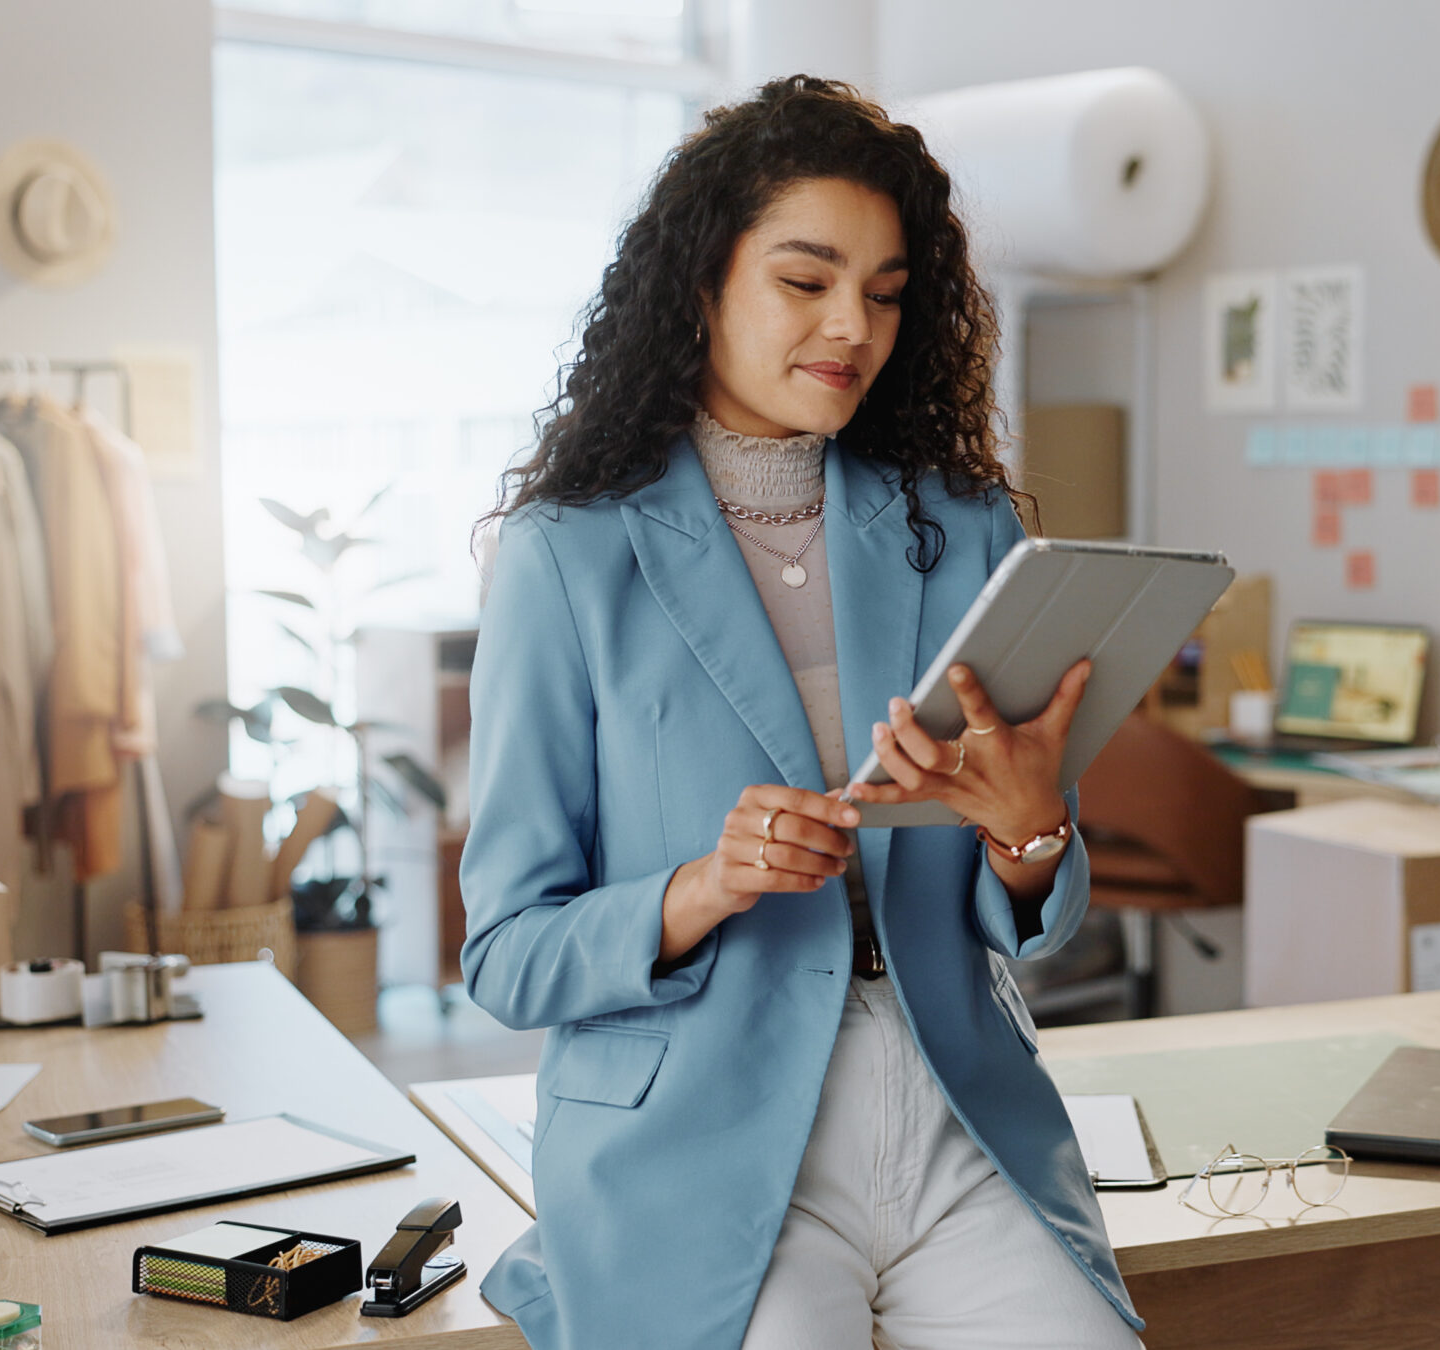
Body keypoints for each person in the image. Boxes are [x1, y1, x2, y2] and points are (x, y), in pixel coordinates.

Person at [459, 76, 1144, 1350]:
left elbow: (1031, 914)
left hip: (953, 1112)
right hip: (701, 1142)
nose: (852, 327)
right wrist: (702, 886)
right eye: (805, 280)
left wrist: (1029, 832)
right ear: (701, 281)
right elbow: (506, 952)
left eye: (885, 293)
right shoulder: (566, 556)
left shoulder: (963, 526)